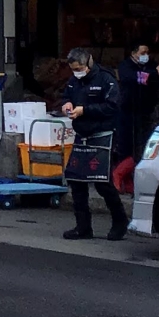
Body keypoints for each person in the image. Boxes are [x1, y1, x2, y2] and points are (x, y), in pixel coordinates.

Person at [59, 48, 128, 240]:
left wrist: (85, 110)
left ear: (88, 63)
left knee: (102, 183)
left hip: (102, 134)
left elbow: (112, 106)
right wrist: (66, 104)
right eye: (73, 69)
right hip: (82, 135)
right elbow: (66, 95)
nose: (77, 73)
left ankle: (120, 222)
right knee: (76, 181)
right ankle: (83, 227)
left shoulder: (106, 79)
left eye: (79, 69)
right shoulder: (74, 81)